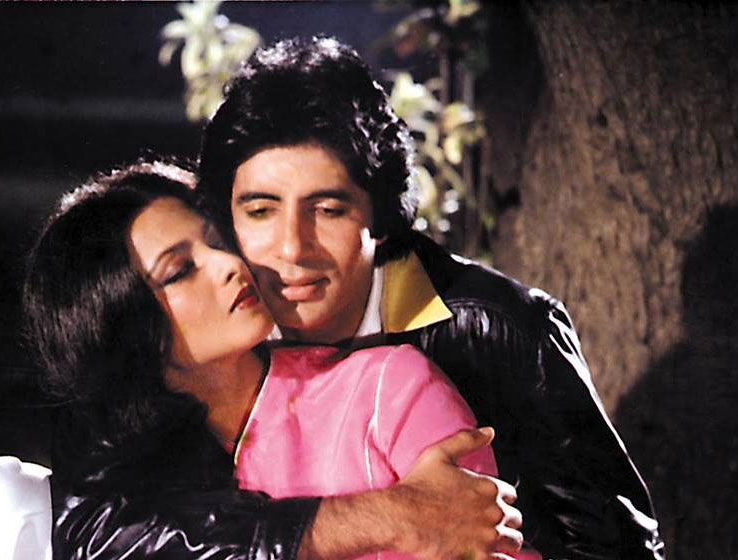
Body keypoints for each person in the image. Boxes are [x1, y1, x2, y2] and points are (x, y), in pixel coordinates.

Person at [191, 37, 663, 560]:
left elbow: (618, 548)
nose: (292, 248)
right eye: (261, 211)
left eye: (327, 210)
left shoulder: (499, 329)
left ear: (378, 215)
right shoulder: (218, 342)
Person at [27, 162, 526, 560]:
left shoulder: (388, 390)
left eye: (216, 242)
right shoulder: (146, 495)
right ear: (125, 331)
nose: (229, 265)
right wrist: (388, 516)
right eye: (180, 271)